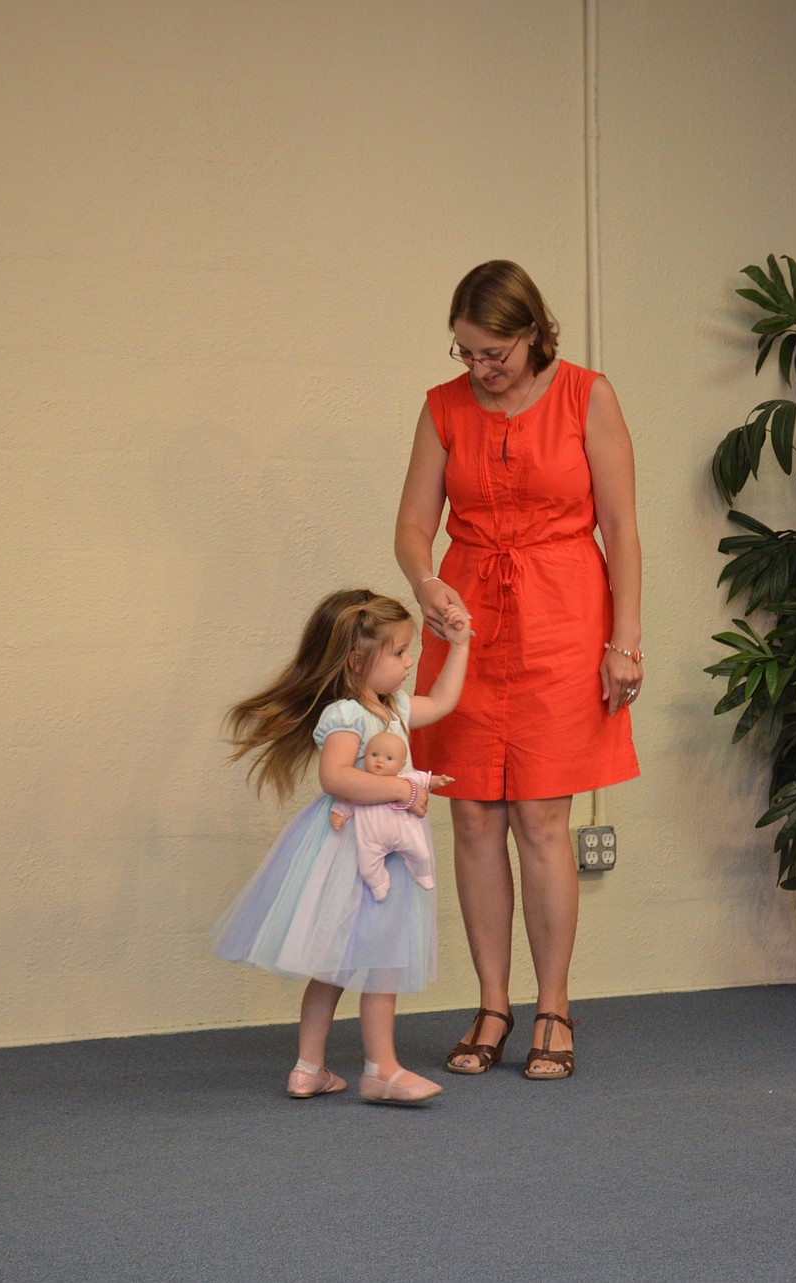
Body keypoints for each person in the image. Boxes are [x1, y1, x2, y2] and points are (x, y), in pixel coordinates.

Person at [395, 260, 641, 1080]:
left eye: (493, 353)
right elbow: (413, 524)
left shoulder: (587, 396)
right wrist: (425, 583)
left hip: (563, 618)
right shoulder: (443, 407)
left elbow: (620, 527)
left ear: (533, 332)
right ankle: (493, 1003)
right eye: (466, 352)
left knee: (541, 815)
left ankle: (554, 1005)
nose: (480, 367)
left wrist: (626, 639)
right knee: (470, 815)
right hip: (466, 622)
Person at [212, 588, 470, 1105]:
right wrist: (402, 789)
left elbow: (443, 701)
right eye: (399, 653)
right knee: (374, 961)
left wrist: (461, 645)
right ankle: (380, 1070)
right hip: (354, 848)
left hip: (385, 847)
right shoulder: (348, 716)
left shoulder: (394, 708)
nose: (409, 662)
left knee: (345, 963)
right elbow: (336, 778)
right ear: (357, 660)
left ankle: (310, 1069)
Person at [329, 730, 454, 901]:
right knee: (367, 867)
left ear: (401, 765)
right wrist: (337, 814)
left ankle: (422, 874)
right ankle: (379, 885)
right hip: (371, 839)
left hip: (405, 834)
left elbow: (424, 779)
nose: (380, 761)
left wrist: (438, 781)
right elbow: (346, 800)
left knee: (421, 854)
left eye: (388, 758)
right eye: (374, 755)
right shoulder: (361, 785)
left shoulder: (406, 779)